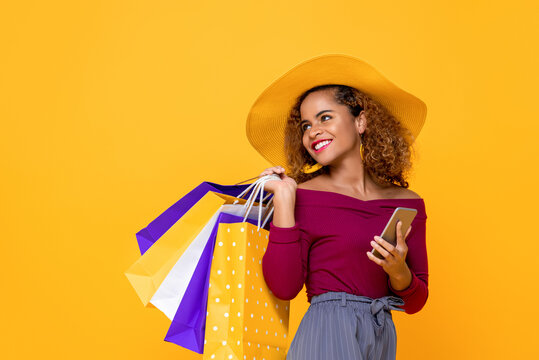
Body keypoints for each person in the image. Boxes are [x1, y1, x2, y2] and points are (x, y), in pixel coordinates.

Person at [245, 55, 429, 359]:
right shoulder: (301, 197)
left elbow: (416, 301)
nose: (312, 131)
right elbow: (284, 286)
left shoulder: (408, 204)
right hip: (327, 334)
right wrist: (284, 201)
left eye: (325, 117)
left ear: (361, 121)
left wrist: (398, 272)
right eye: (306, 125)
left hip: (382, 334)